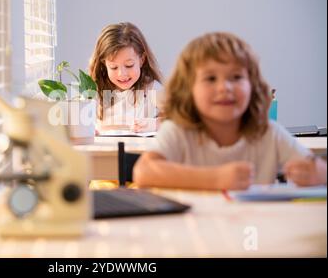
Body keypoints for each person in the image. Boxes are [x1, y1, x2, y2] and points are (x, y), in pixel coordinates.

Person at [133, 32, 327, 190]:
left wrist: (319, 173)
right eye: (210, 79)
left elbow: (316, 167)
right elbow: (143, 172)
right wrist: (216, 179)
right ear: (188, 89)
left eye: (236, 77)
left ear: (253, 85)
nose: (224, 88)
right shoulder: (179, 131)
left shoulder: (268, 133)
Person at [89, 22, 163, 134]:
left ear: (142, 60)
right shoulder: (96, 91)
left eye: (129, 65)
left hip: (139, 150)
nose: (122, 74)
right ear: (104, 64)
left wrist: (156, 124)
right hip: (105, 150)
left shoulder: (152, 89)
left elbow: (180, 119)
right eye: (113, 67)